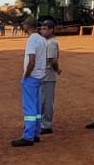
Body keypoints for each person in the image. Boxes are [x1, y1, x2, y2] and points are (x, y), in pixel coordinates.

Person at [12, 18, 47, 147]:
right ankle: (36, 133)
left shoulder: (32, 40)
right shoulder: (42, 39)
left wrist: (26, 75)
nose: (23, 25)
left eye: (24, 24)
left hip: (31, 77)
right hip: (39, 76)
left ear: (28, 26)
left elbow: (31, 61)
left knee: (29, 107)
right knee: (36, 106)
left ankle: (28, 136)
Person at [38, 18, 61, 134]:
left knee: (46, 101)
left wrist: (57, 70)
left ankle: (46, 125)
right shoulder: (46, 42)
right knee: (43, 100)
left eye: (45, 29)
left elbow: (53, 60)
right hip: (44, 75)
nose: (42, 31)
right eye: (41, 29)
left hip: (48, 76)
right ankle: (44, 122)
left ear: (51, 30)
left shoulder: (51, 43)